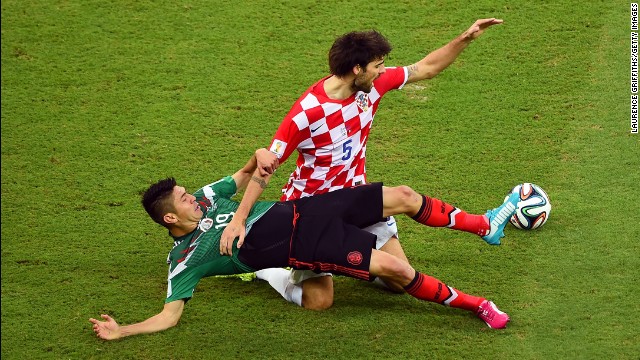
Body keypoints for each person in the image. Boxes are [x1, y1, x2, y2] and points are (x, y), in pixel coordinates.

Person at [225, 18, 506, 310]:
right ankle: (263, 270)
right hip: (311, 210)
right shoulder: (305, 114)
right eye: (378, 64)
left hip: (358, 200)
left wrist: (466, 37)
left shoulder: (373, 85)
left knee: (399, 284)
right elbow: (264, 169)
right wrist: (239, 220)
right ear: (357, 69)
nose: (383, 71)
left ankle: (350, 256)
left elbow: (426, 68)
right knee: (319, 302)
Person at [89, 151, 514, 340]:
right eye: (182, 199)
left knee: (402, 194)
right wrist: (122, 330)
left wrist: (259, 154)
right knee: (397, 274)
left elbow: (247, 169)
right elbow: (168, 317)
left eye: (186, 192)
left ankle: (484, 225)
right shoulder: (184, 260)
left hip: (309, 208)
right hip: (311, 243)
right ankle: (478, 305)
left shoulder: (205, 198)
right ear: (169, 218)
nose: (190, 197)